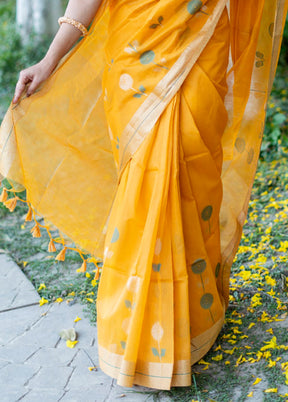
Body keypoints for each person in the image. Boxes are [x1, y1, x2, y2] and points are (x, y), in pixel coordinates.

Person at [0, 0, 287, 391]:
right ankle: (138, 336)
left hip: (202, 40)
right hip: (136, 54)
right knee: (146, 179)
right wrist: (50, 59)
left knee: (190, 159)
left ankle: (192, 322)